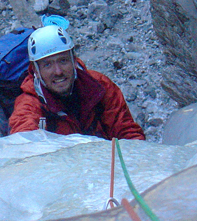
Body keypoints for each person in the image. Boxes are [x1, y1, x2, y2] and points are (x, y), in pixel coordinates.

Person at [9, 25, 145, 139]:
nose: (58, 71)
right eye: (47, 65)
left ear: (74, 60)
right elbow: (25, 143)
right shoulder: (30, 105)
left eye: (63, 61)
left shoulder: (99, 86)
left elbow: (126, 131)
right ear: (36, 71)